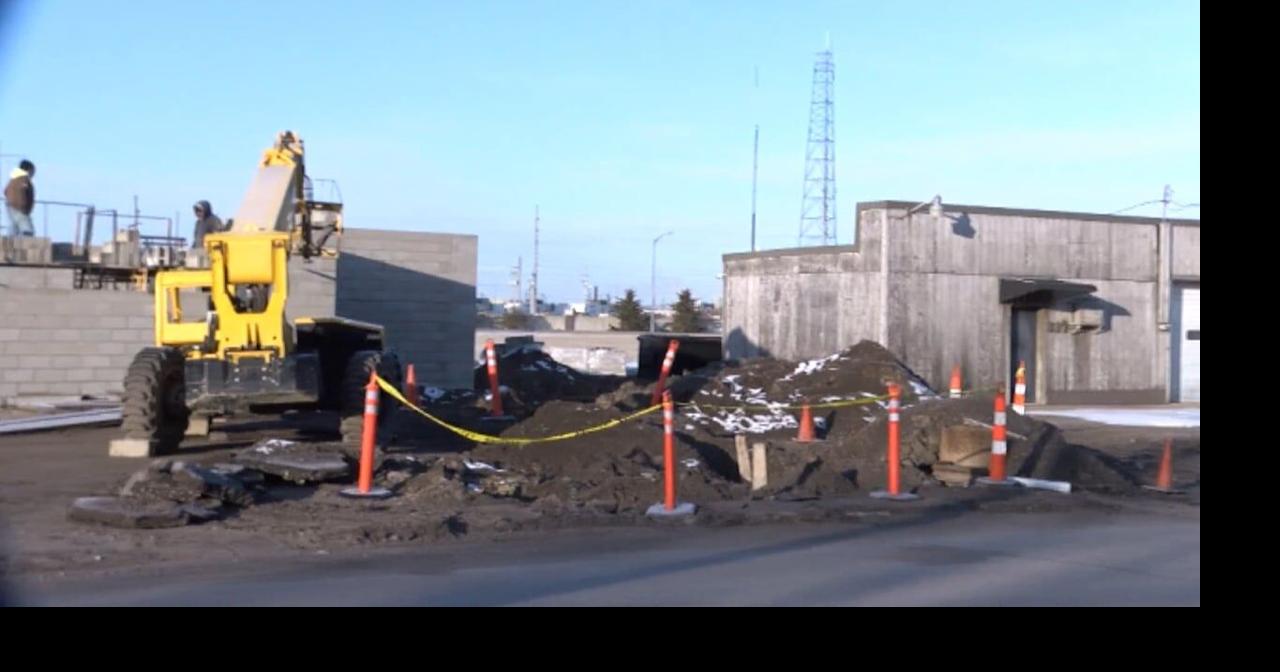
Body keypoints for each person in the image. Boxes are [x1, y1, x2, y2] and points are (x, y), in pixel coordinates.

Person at [4, 159, 36, 239]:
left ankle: (8, 246)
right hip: (19, 207)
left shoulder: (14, 179)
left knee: (14, 228)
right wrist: (23, 205)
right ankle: (28, 247)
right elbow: (21, 191)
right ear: (28, 170)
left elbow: (5, 191)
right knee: (27, 229)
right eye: (32, 171)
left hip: (11, 206)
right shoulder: (23, 179)